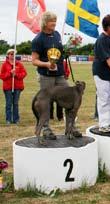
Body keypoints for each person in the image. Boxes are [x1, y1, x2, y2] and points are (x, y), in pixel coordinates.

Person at [32, 11, 79, 139]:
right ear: (45, 23)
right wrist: (47, 64)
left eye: (55, 20)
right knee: (46, 103)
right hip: (46, 76)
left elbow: (60, 53)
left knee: (70, 98)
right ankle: (46, 130)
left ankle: (71, 127)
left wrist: (69, 49)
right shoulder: (38, 39)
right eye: (52, 21)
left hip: (60, 75)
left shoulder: (57, 34)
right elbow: (34, 60)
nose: (54, 23)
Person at [0, 49, 27, 124]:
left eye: (14, 54)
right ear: (8, 55)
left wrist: (16, 75)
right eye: (11, 54)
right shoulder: (4, 65)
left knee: (15, 103)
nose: (12, 56)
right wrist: (9, 73)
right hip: (8, 87)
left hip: (17, 87)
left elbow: (24, 74)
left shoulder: (19, 64)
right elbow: (1, 76)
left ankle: (16, 119)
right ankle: (8, 119)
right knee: (8, 103)